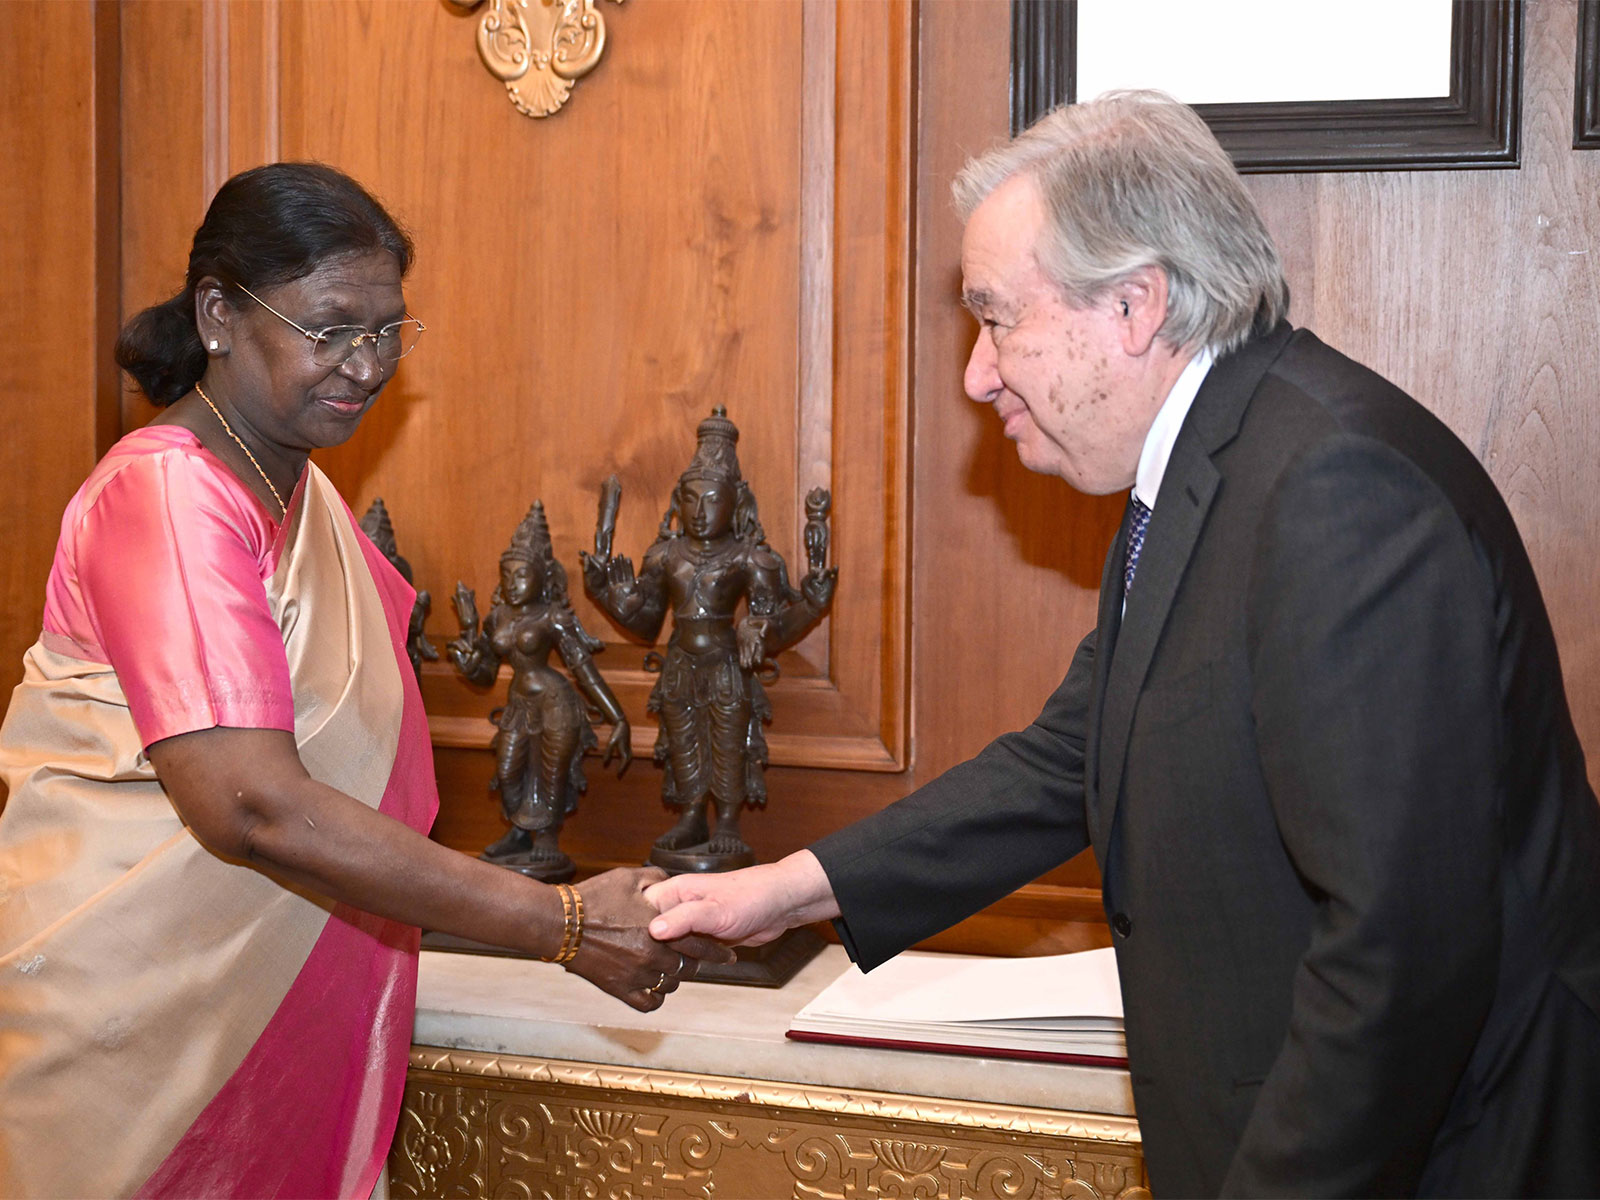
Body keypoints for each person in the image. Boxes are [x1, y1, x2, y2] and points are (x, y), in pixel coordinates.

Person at [646, 92, 1600, 1197]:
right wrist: (793, 888)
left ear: (1135, 305)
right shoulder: (1207, 469)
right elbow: (1072, 757)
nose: (977, 373)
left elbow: (1401, 948)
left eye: (996, 318)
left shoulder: (1334, 490)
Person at [0, 162, 729, 1199]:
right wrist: (561, 925)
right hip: (148, 1037)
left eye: (388, 329)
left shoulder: (299, 491)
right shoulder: (167, 496)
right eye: (330, 326)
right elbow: (250, 805)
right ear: (218, 312)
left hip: (293, 994)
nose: (366, 362)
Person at [580, 407, 835, 868]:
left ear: (736, 503)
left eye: (713, 499)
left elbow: (771, 626)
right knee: (683, 741)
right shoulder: (664, 555)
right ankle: (692, 814)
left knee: (728, 740)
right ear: (679, 501)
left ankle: (729, 821)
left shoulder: (751, 557)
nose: (700, 511)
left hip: (725, 664)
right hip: (680, 662)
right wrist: (607, 593)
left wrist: (810, 605)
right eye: (692, 499)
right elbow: (645, 623)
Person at [448, 500, 631, 878]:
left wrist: (618, 717)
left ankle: (545, 839)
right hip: (519, 704)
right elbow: (484, 675)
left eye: (521, 575)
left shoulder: (553, 617)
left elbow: (584, 671)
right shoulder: (497, 616)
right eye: (506, 574)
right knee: (509, 770)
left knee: (551, 774)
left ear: (543, 577)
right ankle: (519, 832)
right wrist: (468, 638)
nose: (512, 583)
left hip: (555, 704)